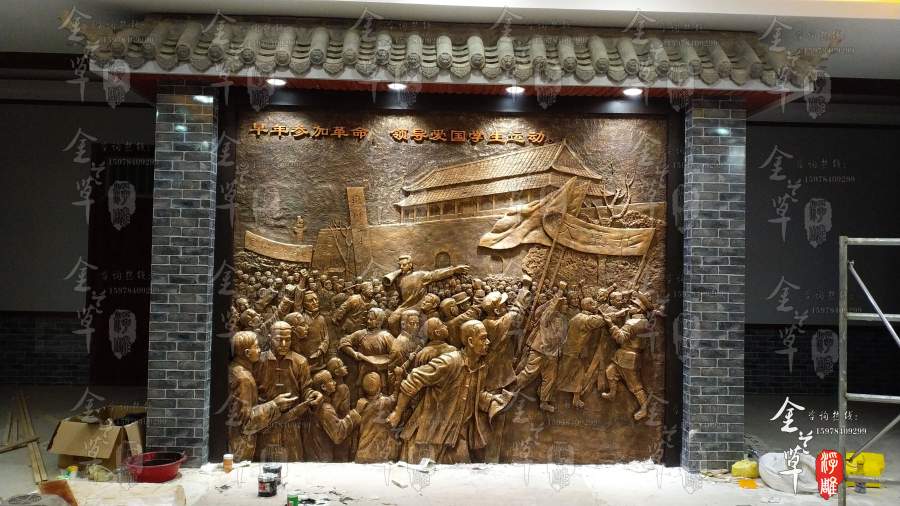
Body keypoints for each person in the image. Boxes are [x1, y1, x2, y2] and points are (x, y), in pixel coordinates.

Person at [387, 320, 510, 464]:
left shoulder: (480, 368)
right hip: (428, 436)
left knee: (461, 474)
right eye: (483, 338)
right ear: (470, 342)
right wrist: (397, 412)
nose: (488, 342)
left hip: (454, 437)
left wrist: (492, 400)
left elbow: (475, 395)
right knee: (418, 475)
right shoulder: (449, 362)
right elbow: (414, 378)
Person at [255, 321, 323, 461]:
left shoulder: (300, 362)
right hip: (265, 424)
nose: (284, 344)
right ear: (270, 338)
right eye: (279, 340)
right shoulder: (258, 361)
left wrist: (313, 395)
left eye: (288, 339)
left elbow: (306, 389)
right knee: (264, 462)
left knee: (293, 460)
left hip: (292, 424)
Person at [226, 331, 296, 461]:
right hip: (241, 448)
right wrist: (275, 405)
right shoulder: (243, 379)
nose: (260, 350)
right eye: (257, 347)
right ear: (247, 353)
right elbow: (246, 422)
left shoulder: (235, 369)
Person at [383, 254, 470, 335]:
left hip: (419, 306)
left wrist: (454, 270)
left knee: (394, 319)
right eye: (400, 265)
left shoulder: (419, 275)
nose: (401, 267)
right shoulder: (399, 279)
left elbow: (435, 274)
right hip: (404, 306)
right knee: (391, 319)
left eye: (404, 265)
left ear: (410, 265)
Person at [515, 288, 568, 413]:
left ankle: (544, 402)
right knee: (528, 373)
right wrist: (558, 294)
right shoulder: (547, 316)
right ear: (558, 305)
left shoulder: (563, 319)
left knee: (550, 378)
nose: (567, 306)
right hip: (540, 350)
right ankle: (510, 390)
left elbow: (562, 337)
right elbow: (549, 309)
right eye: (564, 304)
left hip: (553, 353)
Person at [602, 293, 653, 421]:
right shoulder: (644, 321)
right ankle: (612, 394)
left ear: (640, 309)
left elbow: (620, 338)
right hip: (627, 355)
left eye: (633, 305)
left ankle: (644, 409)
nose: (630, 306)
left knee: (635, 386)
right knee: (610, 371)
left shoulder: (632, 322)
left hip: (628, 357)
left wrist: (610, 324)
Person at [304, 370, 367, 462]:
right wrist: (356, 412)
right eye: (330, 380)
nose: (334, 382)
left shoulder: (319, 404)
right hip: (323, 459)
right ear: (323, 387)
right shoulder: (325, 409)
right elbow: (338, 434)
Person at [556, 297, 606, 408]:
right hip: (572, 352)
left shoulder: (577, 316)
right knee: (563, 375)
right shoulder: (585, 319)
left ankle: (576, 399)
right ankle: (549, 396)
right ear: (588, 306)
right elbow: (602, 321)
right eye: (593, 304)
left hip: (575, 352)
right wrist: (608, 313)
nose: (595, 306)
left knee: (579, 375)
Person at [339, 307, 395, 389]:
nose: (368, 321)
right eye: (368, 318)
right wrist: (354, 353)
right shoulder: (361, 334)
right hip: (363, 376)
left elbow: (395, 354)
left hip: (381, 377)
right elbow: (343, 341)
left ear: (379, 321)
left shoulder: (386, 336)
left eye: (371, 319)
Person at [355, 372, 400, 463]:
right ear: (380, 387)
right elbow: (395, 396)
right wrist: (398, 378)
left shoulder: (361, 404)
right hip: (380, 452)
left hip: (363, 451)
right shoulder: (385, 402)